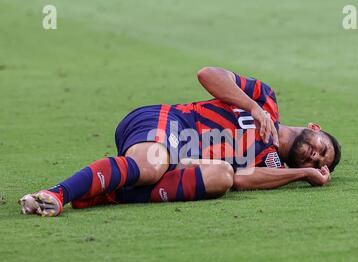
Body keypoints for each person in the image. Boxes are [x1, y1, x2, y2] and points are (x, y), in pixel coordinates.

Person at [19, 67, 341, 217]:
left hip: (179, 159)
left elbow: (240, 180)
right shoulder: (265, 98)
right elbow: (208, 74)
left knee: (222, 177)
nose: (314, 156)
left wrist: (301, 175)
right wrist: (253, 107)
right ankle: (57, 194)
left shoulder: (271, 164)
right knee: (152, 163)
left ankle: (110, 194)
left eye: (316, 163)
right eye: (322, 149)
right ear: (316, 128)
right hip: (168, 122)